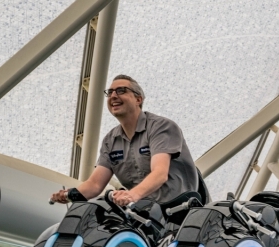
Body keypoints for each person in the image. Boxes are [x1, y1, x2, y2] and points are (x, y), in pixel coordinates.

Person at [50, 74, 199, 206]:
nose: (113, 96)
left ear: (138, 99)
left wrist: (131, 195)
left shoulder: (161, 127)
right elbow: (95, 184)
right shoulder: (110, 140)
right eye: (110, 92)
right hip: (143, 213)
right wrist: (69, 195)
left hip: (180, 211)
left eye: (121, 91)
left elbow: (160, 173)